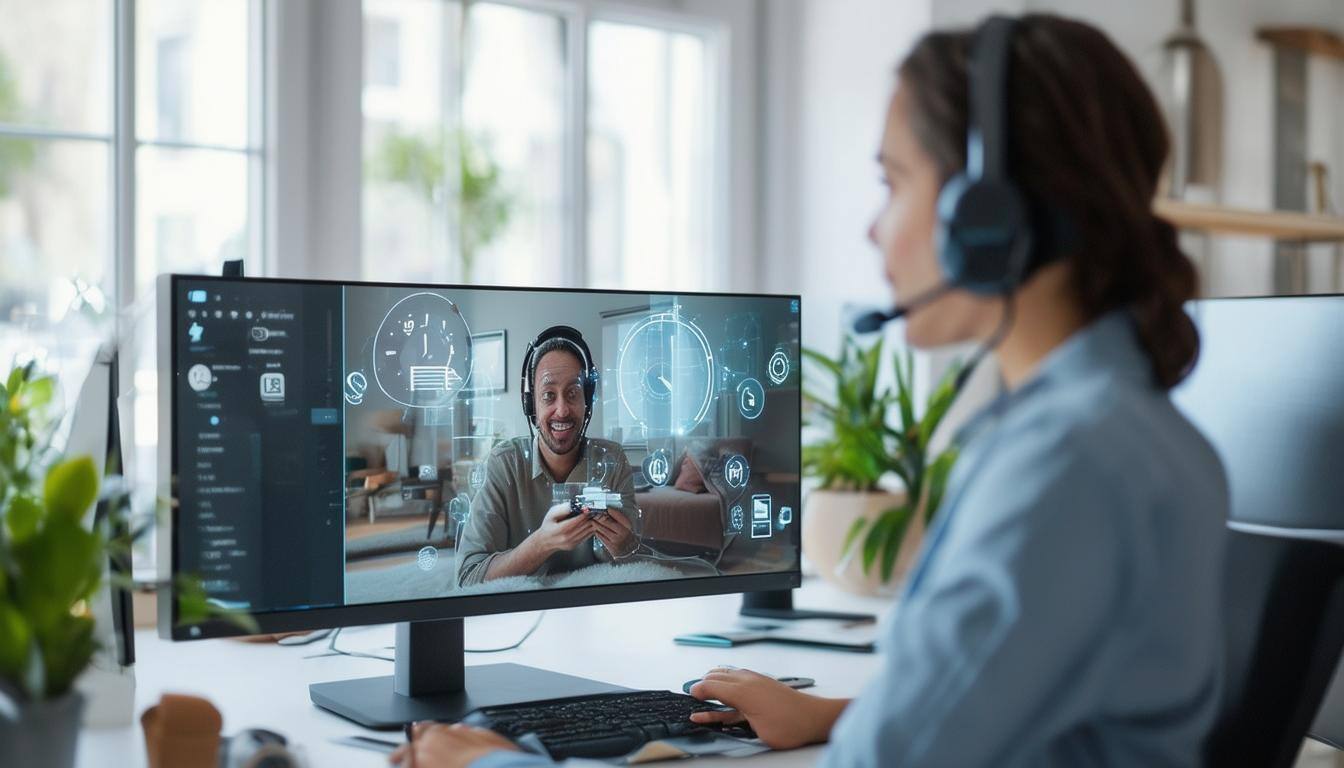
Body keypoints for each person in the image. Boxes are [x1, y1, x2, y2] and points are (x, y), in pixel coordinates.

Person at [400, 13, 1228, 766]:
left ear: (989, 217)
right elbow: (1021, 709)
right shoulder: (1125, 432)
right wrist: (835, 714)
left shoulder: (1062, 469)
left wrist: (489, 764)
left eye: (893, 181)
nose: (874, 228)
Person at [454, 328, 638, 588]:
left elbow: (638, 565)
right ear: (532, 405)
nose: (562, 410)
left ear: (587, 402)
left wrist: (624, 548)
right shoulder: (504, 464)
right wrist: (541, 543)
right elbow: (467, 578)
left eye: (573, 394)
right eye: (548, 395)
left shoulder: (613, 459)